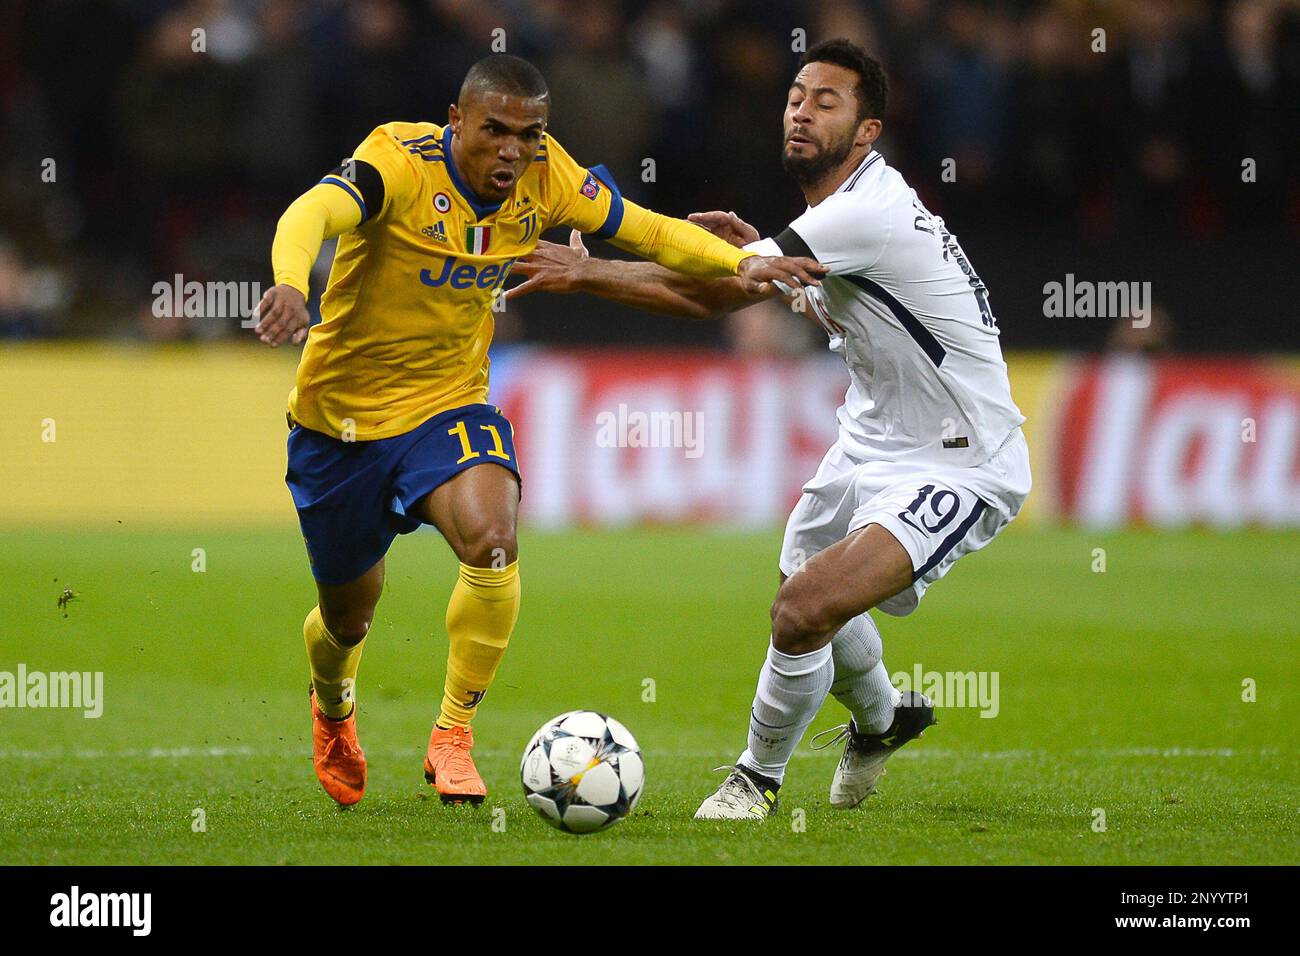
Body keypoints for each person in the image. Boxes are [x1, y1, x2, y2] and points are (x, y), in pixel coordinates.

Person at [252, 53, 825, 808]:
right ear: (457, 122)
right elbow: (310, 214)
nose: (513, 151)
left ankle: (453, 735)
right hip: (340, 423)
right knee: (346, 616)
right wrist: (293, 282)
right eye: (495, 131)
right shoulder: (396, 159)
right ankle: (334, 707)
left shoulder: (547, 174)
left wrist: (746, 263)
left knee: (494, 539)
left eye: (530, 134)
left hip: (448, 404)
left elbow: (648, 232)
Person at [508, 39, 1031, 820]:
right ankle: (885, 720)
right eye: (796, 95)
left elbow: (711, 297)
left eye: (827, 101)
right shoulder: (832, 218)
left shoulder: (864, 213)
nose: (801, 110)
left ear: (866, 131)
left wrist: (590, 270)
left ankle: (755, 780)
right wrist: (756, 250)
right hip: (870, 440)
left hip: (958, 460)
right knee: (806, 598)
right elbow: (776, 282)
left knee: (802, 612)